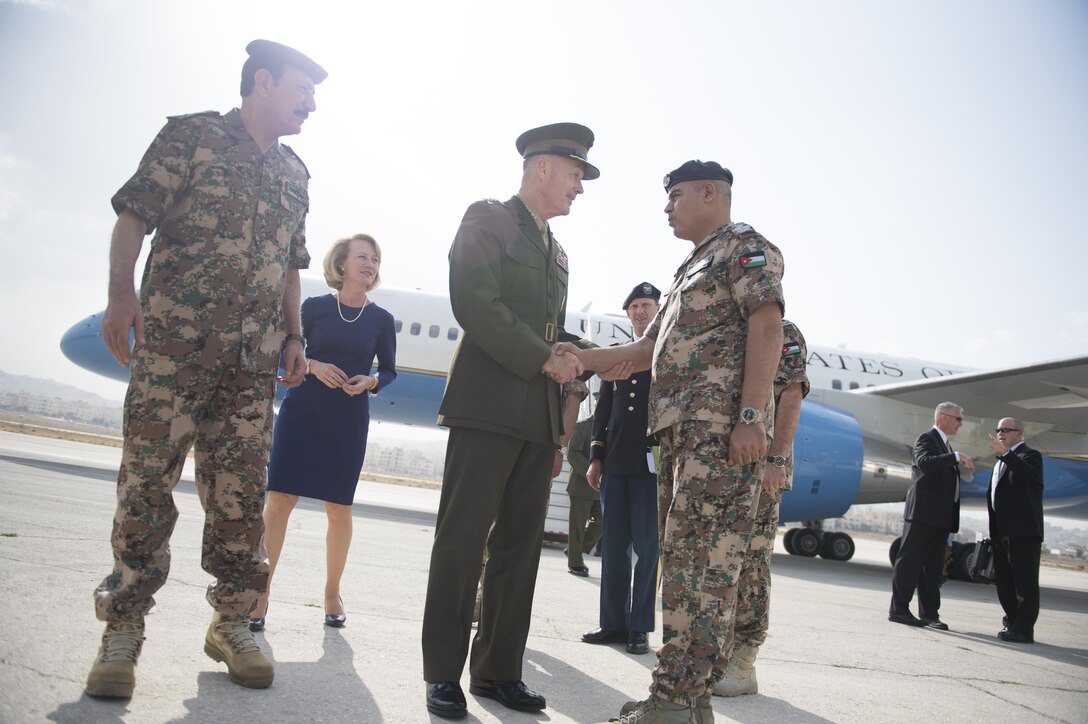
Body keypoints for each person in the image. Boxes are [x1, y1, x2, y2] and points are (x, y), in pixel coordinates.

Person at [85, 40, 327, 699]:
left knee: (241, 501)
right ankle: (123, 629)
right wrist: (120, 294)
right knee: (145, 489)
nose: (311, 103)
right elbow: (135, 217)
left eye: (316, 94)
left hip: (250, 368)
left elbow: (289, 266)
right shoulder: (191, 138)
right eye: (302, 89)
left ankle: (233, 622)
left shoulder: (295, 175)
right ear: (262, 81)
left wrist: (296, 335)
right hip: (173, 353)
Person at [569, 160, 785, 723]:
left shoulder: (744, 248)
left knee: (705, 571)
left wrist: (749, 416)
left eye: (675, 196)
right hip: (683, 439)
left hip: (718, 435)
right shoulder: (692, 265)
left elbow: (767, 325)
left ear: (709, 194)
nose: (667, 207)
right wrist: (583, 361)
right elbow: (646, 351)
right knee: (686, 566)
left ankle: (678, 700)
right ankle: (682, 701)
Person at [420, 122, 598, 720]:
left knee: (520, 551)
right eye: (575, 174)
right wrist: (544, 357)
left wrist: (585, 356)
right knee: (463, 543)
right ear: (542, 167)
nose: (579, 187)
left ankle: (497, 672)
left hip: (538, 416)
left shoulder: (558, 250)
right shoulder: (489, 219)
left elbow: (544, 330)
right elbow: (475, 301)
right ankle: (442, 673)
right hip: (488, 405)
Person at [252, 234, 397, 632]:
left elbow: (389, 370)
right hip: (303, 412)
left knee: (339, 508)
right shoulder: (314, 308)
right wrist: (313, 366)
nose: (369, 264)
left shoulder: (381, 319)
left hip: (347, 418)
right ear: (342, 264)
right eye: (362, 257)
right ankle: (260, 593)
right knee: (280, 501)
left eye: (375, 258)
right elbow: (289, 350)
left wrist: (370, 382)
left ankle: (332, 593)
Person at [711, 319, 810, 697]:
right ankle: (717, 651)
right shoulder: (723, 329)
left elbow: (792, 394)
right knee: (719, 562)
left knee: (751, 562)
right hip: (722, 466)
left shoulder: (782, 331)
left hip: (762, 467)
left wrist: (778, 459)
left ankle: (745, 660)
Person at [581, 282, 662, 657]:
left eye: (647, 305)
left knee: (647, 550)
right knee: (612, 547)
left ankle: (639, 627)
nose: (641, 311)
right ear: (627, 313)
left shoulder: (666, 356)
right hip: (615, 463)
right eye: (635, 307)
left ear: (659, 311)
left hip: (651, 468)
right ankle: (613, 623)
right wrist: (596, 458)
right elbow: (604, 411)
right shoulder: (614, 356)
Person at [889, 402, 974, 630]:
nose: (961, 423)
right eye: (958, 419)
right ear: (943, 417)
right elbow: (925, 464)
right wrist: (955, 457)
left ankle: (929, 614)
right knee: (909, 563)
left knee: (933, 569)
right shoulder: (927, 439)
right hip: (922, 515)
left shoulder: (944, 445)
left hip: (939, 519)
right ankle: (898, 610)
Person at [986, 417, 1044, 643]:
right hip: (1002, 530)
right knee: (1005, 580)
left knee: (1024, 581)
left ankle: (1024, 629)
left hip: (1023, 531)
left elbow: (1027, 475)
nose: (1001, 433)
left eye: (1006, 430)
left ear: (1019, 433)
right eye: (998, 430)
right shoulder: (1001, 461)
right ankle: (1012, 621)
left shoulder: (1030, 455)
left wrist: (1007, 455)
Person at [566, 415, 603, 577]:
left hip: (600, 488)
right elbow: (573, 453)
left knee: (602, 523)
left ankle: (575, 550)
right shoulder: (581, 426)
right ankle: (575, 563)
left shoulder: (608, 428)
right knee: (577, 526)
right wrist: (591, 471)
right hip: (580, 486)